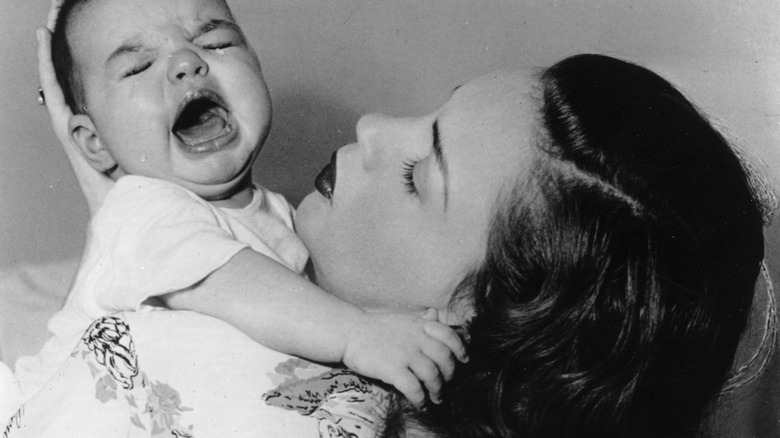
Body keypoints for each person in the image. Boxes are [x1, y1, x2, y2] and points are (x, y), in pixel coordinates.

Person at [7, 8, 776, 435]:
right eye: (429, 110)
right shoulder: (197, 227)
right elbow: (179, 252)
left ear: (475, 310)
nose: (373, 126)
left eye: (419, 174)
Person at [2, 0, 466, 415]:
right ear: (94, 143)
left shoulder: (281, 215)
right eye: (138, 67)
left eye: (216, 41)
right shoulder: (141, 210)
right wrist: (356, 333)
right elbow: (229, 279)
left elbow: (304, 307)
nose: (187, 62)